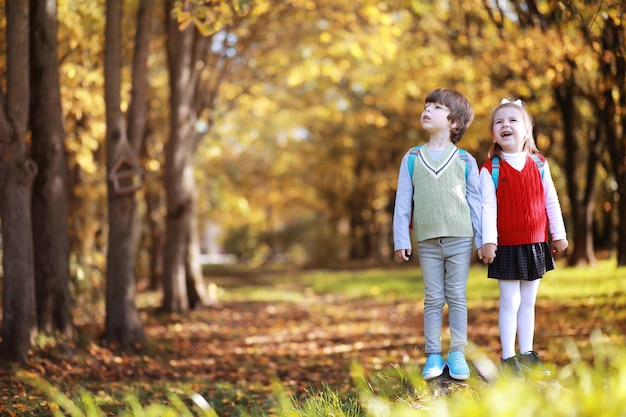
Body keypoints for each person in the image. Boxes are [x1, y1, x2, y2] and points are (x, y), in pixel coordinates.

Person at [393, 88, 482, 381]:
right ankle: (433, 354)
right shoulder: (412, 157)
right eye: (427, 105)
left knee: (456, 296)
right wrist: (401, 240)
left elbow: (475, 203)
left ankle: (457, 352)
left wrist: (482, 241)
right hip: (427, 240)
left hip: (459, 238)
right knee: (433, 298)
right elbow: (403, 201)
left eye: (437, 107)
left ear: (454, 122)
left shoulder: (465, 160)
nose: (427, 110)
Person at [480, 98, 568, 381]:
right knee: (510, 300)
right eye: (499, 122)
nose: (505, 125)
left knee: (528, 301)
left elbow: (551, 201)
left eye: (513, 120)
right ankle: (508, 357)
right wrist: (488, 241)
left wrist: (559, 234)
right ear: (493, 133)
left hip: (536, 244)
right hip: (505, 245)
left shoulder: (540, 164)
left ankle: (527, 352)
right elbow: (487, 207)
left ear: (527, 130)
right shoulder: (491, 169)